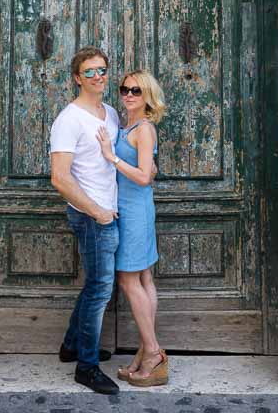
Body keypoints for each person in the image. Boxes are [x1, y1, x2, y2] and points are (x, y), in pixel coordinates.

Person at [50, 46, 120, 395]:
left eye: (102, 70)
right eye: (90, 71)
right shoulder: (69, 119)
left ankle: (72, 346)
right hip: (92, 217)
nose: (98, 76)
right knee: (100, 289)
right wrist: (97, 212)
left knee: (95, 285)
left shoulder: (109, 113)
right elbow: (60, 178)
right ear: (77, 78)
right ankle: (87, 367)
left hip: (108, 212)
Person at [97, 69, 168, 387]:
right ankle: (145, 350)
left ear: (147, 96)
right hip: (130, 209)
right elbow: (148, 171)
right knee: (143, 278)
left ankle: (152, 352)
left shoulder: (145, 128)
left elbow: (141, 176)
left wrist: (111, 158)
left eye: (136, 91)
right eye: (124, 89)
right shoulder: (128, 125)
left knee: (128, 280)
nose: (128, 94)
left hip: (134, 211)